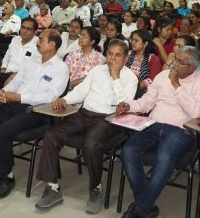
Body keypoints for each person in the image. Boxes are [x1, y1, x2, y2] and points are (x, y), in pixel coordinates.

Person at [35, 39, 138, 214]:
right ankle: (52, 188)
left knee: (91, 144)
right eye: (110, 54)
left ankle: (96, 188)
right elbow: (81, 91)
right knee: (51, 134)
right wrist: (65, 99)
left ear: (126, 57)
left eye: (117, 55)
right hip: (84, 113)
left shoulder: (131, 78)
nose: (112, 59)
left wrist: (115, 77)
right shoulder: (97, 70)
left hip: (109, 118)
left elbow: (123, 104)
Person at [0, 29, 68, 200]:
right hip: (13, 103)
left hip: (36, 111)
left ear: (52, 45)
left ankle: (7, 177)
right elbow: (17, 81)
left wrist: (19, 97)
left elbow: (51, 97)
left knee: (1, 131)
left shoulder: (61, 68)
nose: (38, 41)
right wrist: (3, 92)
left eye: (41, 39)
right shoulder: (31, 60)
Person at [117, 45, 200, 218]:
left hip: (181, 129)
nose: (174, 64)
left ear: (192, 67)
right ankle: (146, 205)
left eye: (180, 62)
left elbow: (196, 113)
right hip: (153, 123)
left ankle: (139, 210)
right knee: (128, 151)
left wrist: (176, 85)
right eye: (175, 59)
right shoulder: (161, 76)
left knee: (164, 158)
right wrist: (129, 105)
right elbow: (147, 102)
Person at [126, 29, 162, 93]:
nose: (132, 42)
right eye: (132, 40)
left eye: (136, 40)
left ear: (145, 43)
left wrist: (134, 87)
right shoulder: (127, 54)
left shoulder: (153, 59)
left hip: (141, 92)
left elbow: (151, 80)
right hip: (124, 86)